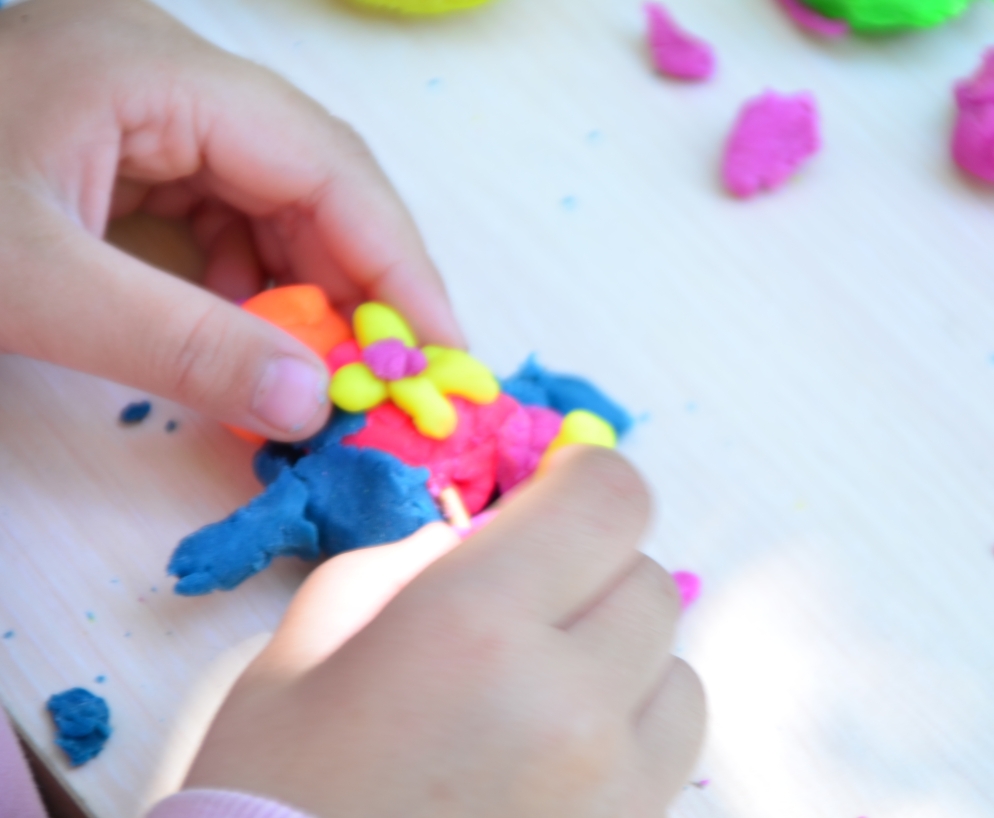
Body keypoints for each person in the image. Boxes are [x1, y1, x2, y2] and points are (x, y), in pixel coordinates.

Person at [0, 0, 707, 815]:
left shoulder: (387, 393)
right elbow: (286, 511)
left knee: (536, 416)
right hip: (416, 510)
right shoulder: (321, 460)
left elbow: (296, 505)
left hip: (477, 445)